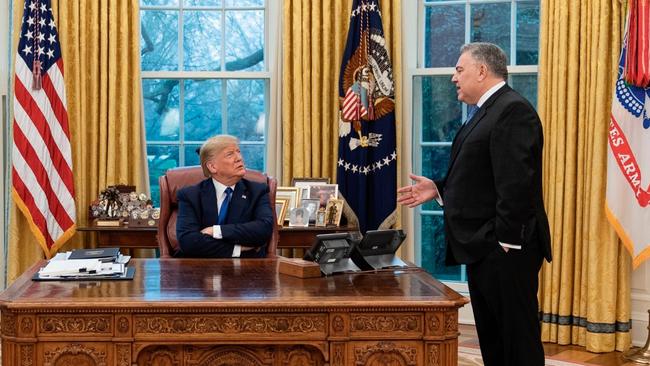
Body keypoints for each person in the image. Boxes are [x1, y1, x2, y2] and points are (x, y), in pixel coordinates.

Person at [397, 43, 552, 366]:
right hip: (487, 249)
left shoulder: (512, 110)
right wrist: (439, 188)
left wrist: (504, 243)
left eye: (459, 69)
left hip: (506, 251)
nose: (454, 77)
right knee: (494, 339)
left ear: (482, 71)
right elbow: (480, 177)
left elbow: (515, 183)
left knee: (516, 341)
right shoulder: (485, 112)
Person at [176, 135, 273, 258]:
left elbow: (264, 229)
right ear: (212, 167)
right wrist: (239, 249)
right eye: (230, 154)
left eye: (238, 152)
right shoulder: (190, 195)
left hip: (246, 269)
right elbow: (188, 242)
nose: (239, 158)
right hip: (200, 268)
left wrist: (216, 231)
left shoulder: (257, 191)